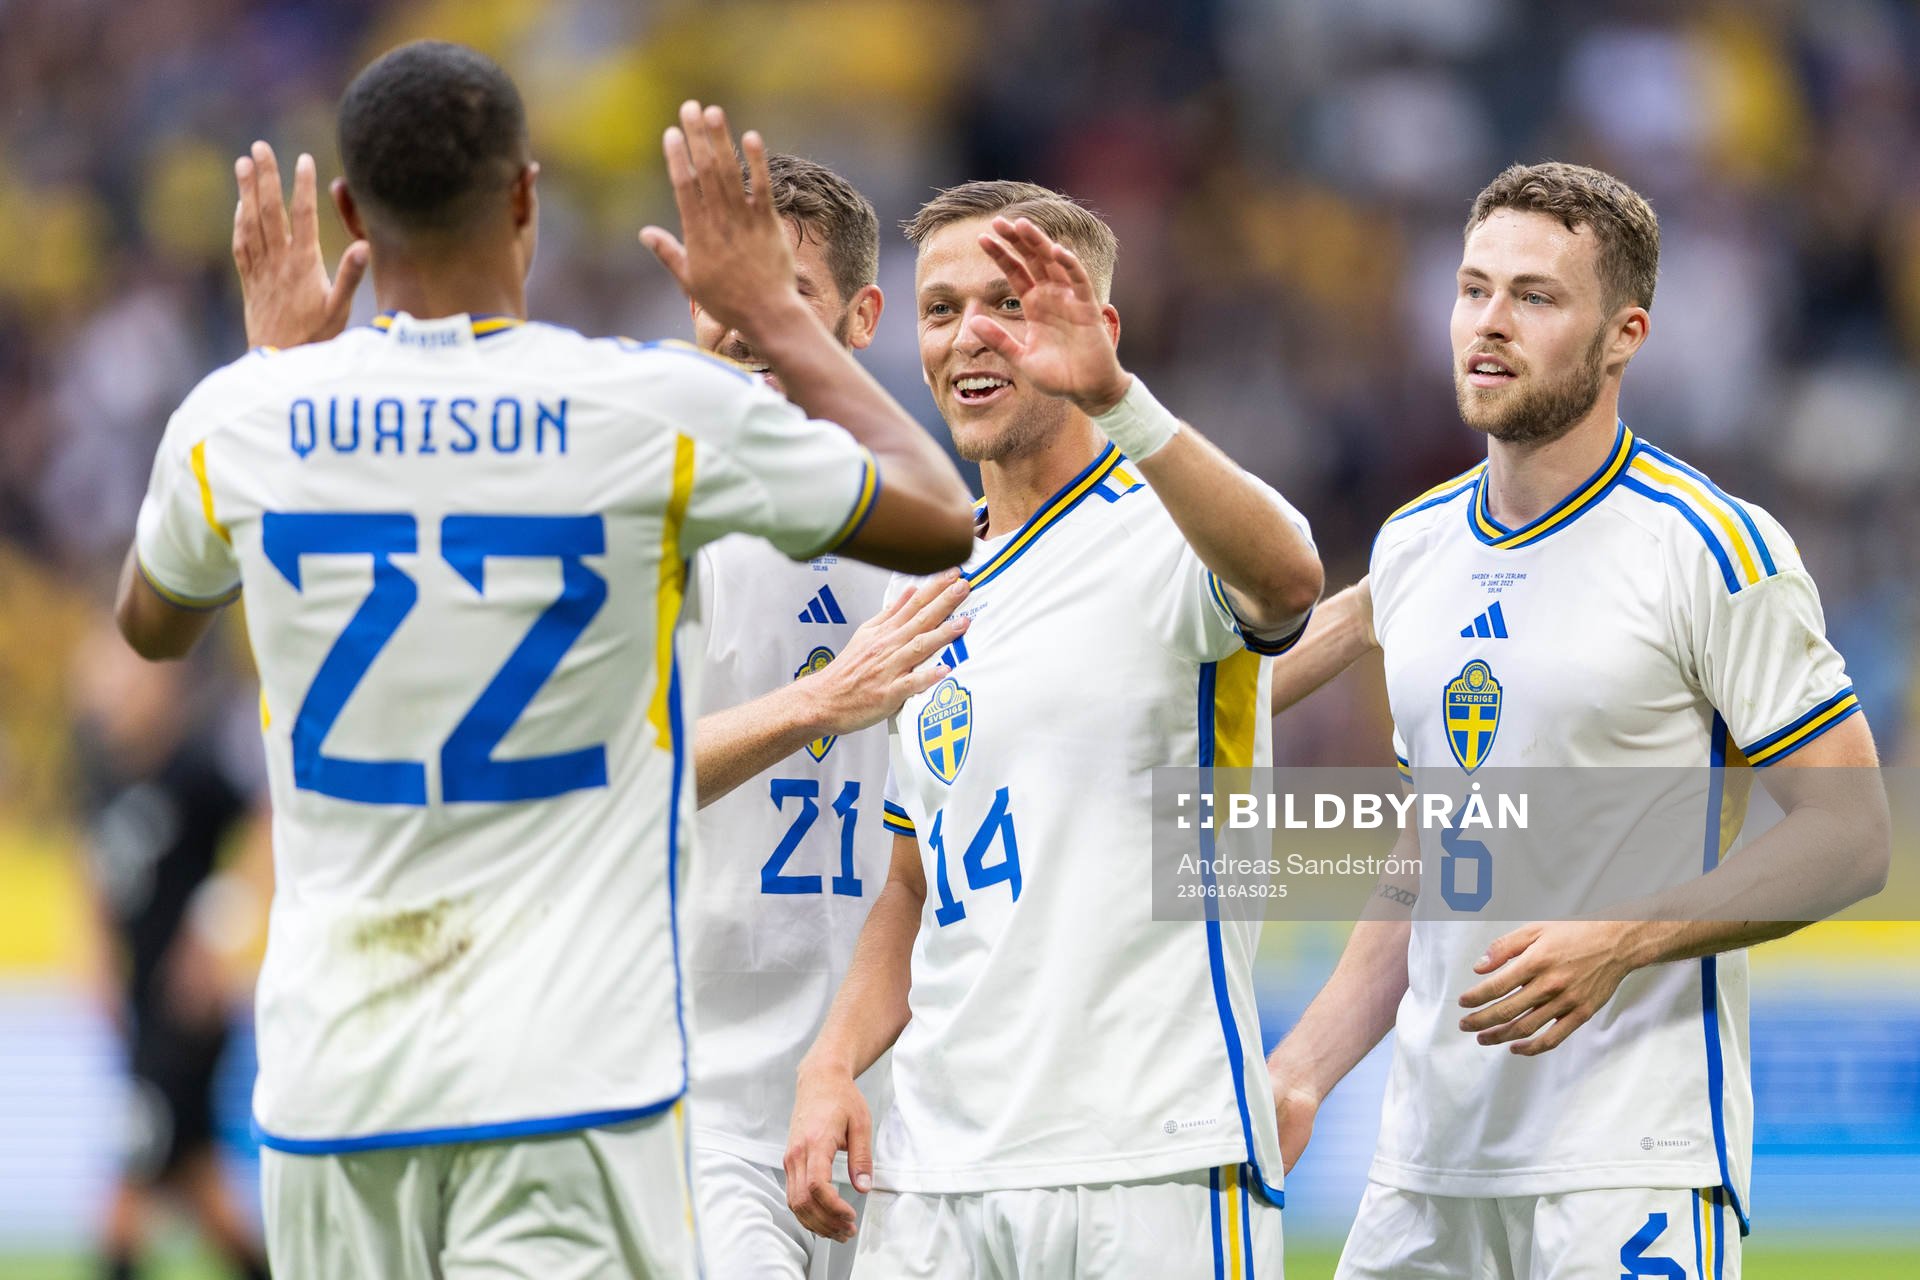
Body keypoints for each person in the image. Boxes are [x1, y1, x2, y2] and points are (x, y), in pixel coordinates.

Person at [116, 39, 974, 1277]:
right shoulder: (640, 411)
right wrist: (783, 319)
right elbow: (941, 509)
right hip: (563, 1074)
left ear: (352, 212)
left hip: (333, 1078)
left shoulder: (239, 416)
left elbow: (152, 624)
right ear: (527, 195)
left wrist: (279, 373)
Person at [1262, 162, 1889, 1280]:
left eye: (1537, 297)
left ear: (1623, 335)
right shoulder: (1416, 545)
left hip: (1627, 1160)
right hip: (1426, 1166)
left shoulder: (1709, 547)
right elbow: (1435, 854)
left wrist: (1622, 938)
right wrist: (1303, 1066)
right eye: (1472, 288)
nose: (1489, 324)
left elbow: (1851, 835)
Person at [785, 182, 1323, 1277]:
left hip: (1147, 1163)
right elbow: (910, 883)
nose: (969, 335)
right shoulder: (922, 589)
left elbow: (1289, 576)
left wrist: (1122, 400)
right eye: (941, 309)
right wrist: (831, 1064)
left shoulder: (1168, 534)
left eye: (1010, 302)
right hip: (936, 1174)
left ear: (1096, 328)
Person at [680, 154, 966, 1280]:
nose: (744, 328)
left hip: (892, 1107)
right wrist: (820, 700)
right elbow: (605, 781)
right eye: (721, 294)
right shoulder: (662, 517)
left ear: (860, 317)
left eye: (782, 296)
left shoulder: (945, 531)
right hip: (699, 1099)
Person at [72, 621, 271, 1280]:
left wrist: (217, 930)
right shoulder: (100, 770)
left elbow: (265, 828)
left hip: (185, 1017)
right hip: (141, 1008)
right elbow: (96, 872)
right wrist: (98, 954)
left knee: (127, 1189)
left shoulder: (195, 768)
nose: (114, 688)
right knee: (203, 1191)